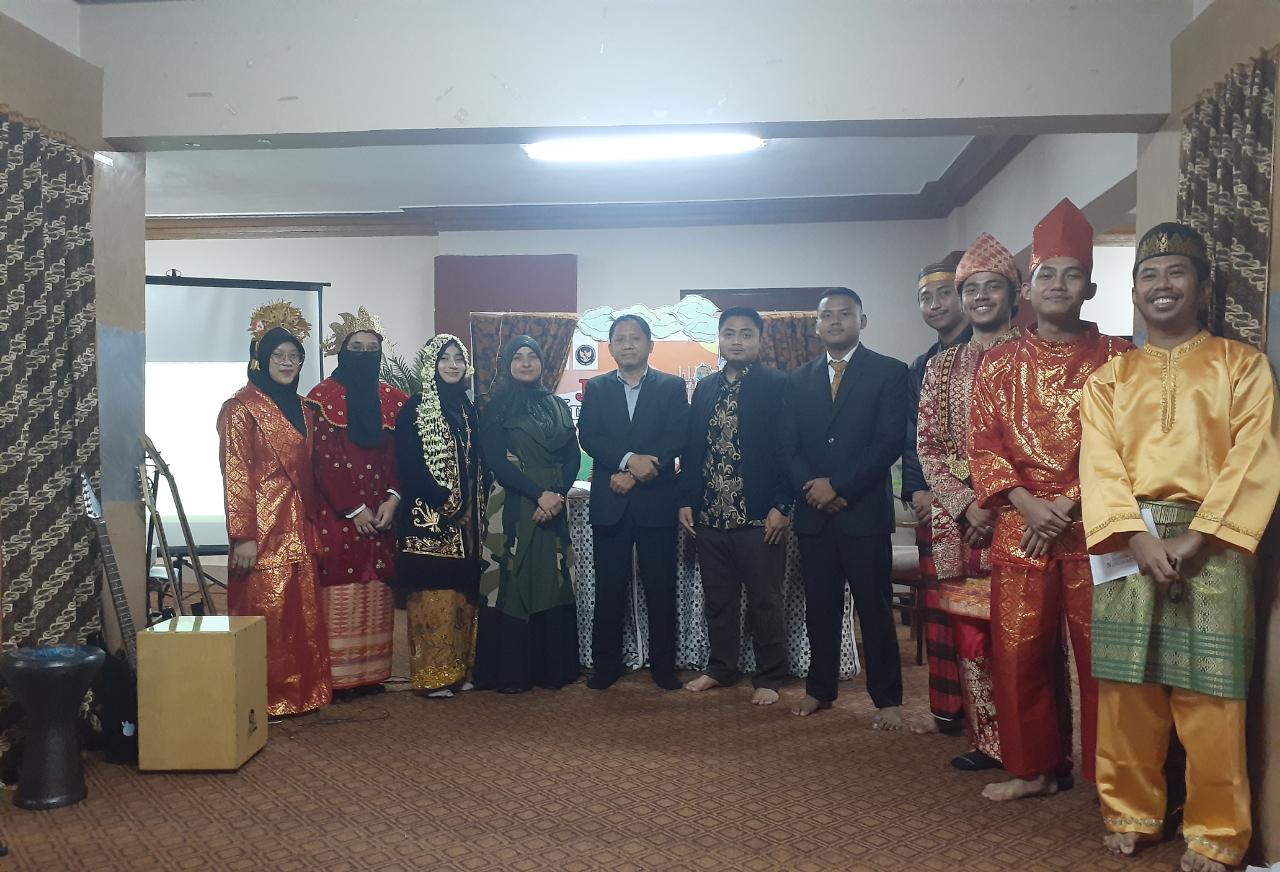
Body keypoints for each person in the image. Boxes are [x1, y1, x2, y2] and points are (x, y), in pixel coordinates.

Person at [1081, 222, 1280, 872]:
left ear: (1202, 286)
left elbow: (1256, 454)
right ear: (1134, 292)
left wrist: (1201, 534)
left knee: (1212, 697)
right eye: (1148, 275)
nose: (1161, 286)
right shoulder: (1108, 380)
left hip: (1216, 543)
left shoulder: (1242, 365)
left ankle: (1217, 834)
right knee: (1127, 692)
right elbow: (1099, 464)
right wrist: (1135, 536)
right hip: (1126, 542)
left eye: (1176, 273)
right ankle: (1132, 813)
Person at [968, 201, 1133, 801]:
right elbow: (982, 442)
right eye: (1046, 274)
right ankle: (1034, 769)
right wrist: (1026, 502)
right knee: (1019, 655)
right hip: (1020, 525)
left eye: (1070, 274)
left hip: (1100, 526)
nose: (1057, 284)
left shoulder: (1121, 358)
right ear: (1029, 289)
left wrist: (1066, 503)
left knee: (1105, 656)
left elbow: (1131, 446)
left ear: (1089, 285)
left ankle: (1111, 775)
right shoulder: (999, 362)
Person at [912, 243, 1021, 769]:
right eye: (970, 289)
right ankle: (989, 742)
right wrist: (961, 505)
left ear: (1012, 293)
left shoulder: (1034, 356)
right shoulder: (942, 365)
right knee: (972, 636)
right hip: (958, 523)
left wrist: (996, 504)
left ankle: (1036, 746)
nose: (980, 297)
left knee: (1025, 637)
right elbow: (927, 444)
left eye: (991, 286)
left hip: (1021, 519)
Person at [784, 288, 908, 728]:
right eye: (827, 316)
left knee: (874, 609)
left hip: (864, 513)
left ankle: (888, 698)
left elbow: (889, 441)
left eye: (844, 314)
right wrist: (812, 488)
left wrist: (839, 486)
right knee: (820, 607)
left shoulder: (889, 373)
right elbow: (790, 446)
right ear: (816, 326)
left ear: (862, 320)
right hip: (814, 515)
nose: (835, 321)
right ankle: (821, 689)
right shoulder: (797, 379)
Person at [217, 302, 331, 716]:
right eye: (278, 355)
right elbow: (236, 475)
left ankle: (304, 696)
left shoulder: (306, 409)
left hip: (300, 525)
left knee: (302, 617)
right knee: (267, 616)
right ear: (261, 359)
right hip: (263, 532)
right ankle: (262, 699)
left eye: (294, 356)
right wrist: (242, 536)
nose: (287, 362)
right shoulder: (240, 408)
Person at [678, 307, 792, 705]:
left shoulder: (778, 385)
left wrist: (783, 504)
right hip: (711, 515)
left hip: (759, 515)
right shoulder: (706, 387)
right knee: (719, 599)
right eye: (730, 333)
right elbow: (694, 450)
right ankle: (721, 667)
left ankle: (771, 674)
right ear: (720, 340)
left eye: (746, 334)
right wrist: (686, 501)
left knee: (765, 600)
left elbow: (787, 450)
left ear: (760, 340)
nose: (737, 340)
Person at [577, 314, 691, 691]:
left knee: (660, 588)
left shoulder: (671, 386)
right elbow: (590, 436)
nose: (628, 344)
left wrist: (644, 466)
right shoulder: (596, 388)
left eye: (635, 338)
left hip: (655, 502)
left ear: (649, 345)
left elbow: (679, 434)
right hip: (612, 501)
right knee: (609, 588)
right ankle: (605, 666)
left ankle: (663, 667)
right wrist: (628, 461)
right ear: (610, 347)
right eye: (620, 339)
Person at [307, 308, 407, 698]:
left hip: (383, 514)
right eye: (356, 347)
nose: (364, 354)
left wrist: (394, 500)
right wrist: (354, 508)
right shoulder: (321, 398)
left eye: (371, 348)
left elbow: (402, 457)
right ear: (341, 352)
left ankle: (373, 674)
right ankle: (341, 678)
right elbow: (323, 460)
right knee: (342, 589)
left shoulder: (394, 400)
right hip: (339, 514)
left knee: (377, 588)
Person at [474, 336, 581, 693]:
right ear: (506, 365)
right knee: (511, 579)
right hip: (512, 507)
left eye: (531, 356)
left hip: (552, 506)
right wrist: (539, 495)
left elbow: (572, 456)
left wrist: (557, 496)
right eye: (517, 357)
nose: (524, 363)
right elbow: (496, 462)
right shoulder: (495, 407)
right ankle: (510, 671)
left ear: (541, 363)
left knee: (551, 579)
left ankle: (552, 669)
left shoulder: (556, 405)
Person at [393, 334, 488, 698]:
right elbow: (410, 464)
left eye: (458, 358)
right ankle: (432, 676)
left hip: (470, 527)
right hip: (430, 522)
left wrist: (472, 509)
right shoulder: (416, 408)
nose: (452, 364)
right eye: (444, 358)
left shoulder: (467, 408)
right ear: (431, 364)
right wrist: (446, 505)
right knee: (435, 598)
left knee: (464, 598)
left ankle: (462, 670)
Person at [905, 255, 972, 733]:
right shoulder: (921, 364)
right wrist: (916, 490)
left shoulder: (996, 352)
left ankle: (995, 718)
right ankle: (949, 710)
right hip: (937, 507)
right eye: (926, 297)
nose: (935, 304)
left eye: (944, 293)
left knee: (987, 616)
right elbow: (913, 435)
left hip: (990, 508)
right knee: (941, 612)